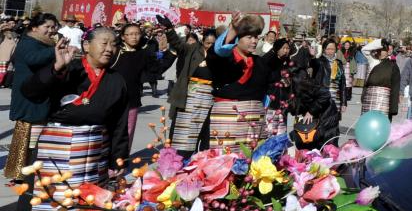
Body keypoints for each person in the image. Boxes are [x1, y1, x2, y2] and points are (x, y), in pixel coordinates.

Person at [21, 29, 129, 211]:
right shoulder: (68, 69)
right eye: (104, 43)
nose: (110, 49)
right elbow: (30, 91)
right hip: (56, 151)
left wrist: (118, 159)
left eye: (114, 44)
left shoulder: (117, 80)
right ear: (86, 46)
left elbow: (119, 123)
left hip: (94, 155)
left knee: (86, 210)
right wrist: (56, 68)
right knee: (50, 207)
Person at [207, 13, 284, 147]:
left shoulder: (260, 63)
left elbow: (269, 87)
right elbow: (217, 53)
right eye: (249, 37)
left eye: (256, 37)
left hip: (255, 123)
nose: (254, 41)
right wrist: (232, 30)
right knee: (225, 158)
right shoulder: (225, 59)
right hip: (227, 121)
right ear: (237, 38)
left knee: (253, 158)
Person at [4, 13, 59, 180]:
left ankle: (24, 171)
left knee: (33, 134)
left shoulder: (41, 42)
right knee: (26, 133)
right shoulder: (29, 42)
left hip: (37, 93)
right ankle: (20, 172)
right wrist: (55, 50)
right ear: (34, 28)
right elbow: (33, 59)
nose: (51, 30)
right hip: (28, 95)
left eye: (53, 27)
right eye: (46, 27)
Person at [109, 22, 174, 151]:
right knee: (109, 131)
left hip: (132, 99)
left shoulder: (143, 53)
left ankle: (122, 159)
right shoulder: (114, 51)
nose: (134, 37)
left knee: (128, 132)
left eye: (137, 34)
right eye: (130, 34)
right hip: (111, 99)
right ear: (123, 36)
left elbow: (156, 70)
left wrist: (169, 53)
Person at [158, 14, 217, 156]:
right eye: (207, 43)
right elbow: (178, 45)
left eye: (213, 44)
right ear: (202, 41)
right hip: (190, 94)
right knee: (183, 129)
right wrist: (169, 30)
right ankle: (179, 157)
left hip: (208, 97)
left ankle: (199, 158)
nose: (210, 46)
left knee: (204, 130)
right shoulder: (193, 49)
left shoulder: (218, 55)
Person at [289, 56, 340, 150]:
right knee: (312, 145)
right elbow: (297, 107)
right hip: (316, 118)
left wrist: (311, 112)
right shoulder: (292, 86)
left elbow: (325, 95)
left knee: (328, 145)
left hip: (327, 115)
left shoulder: (306, 83)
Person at [361, 39, 401, 120]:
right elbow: (364, 50)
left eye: (383, 50)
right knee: (368, 121)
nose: (380, 52)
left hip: (384, 100)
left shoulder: (393, 66)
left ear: (388, 52)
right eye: (379, 49)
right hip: (370, 97)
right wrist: (380, 42)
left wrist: (393, 108)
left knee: (381, 122)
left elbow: (395, 87)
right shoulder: (373, 61)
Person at [264, 38, 293, 136]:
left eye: (287, 48)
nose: (286, 50)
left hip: (284, 101)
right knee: (270, 129)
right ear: (277, 49)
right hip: (272, 99)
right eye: (283, 48)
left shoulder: (289, 62)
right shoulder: (270, 60)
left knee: (282, 130)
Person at [314, 39, 347, 111]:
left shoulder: (339, 63)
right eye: (328, 49)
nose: (330, 51)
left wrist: (344, 103)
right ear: (324, 49)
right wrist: (312, 56)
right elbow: (312, 64)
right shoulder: (319, 62)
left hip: (336, 98)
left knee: (335, 117)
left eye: (332, 49)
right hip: (322, 98)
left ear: (335, 50)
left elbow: (343, 84)